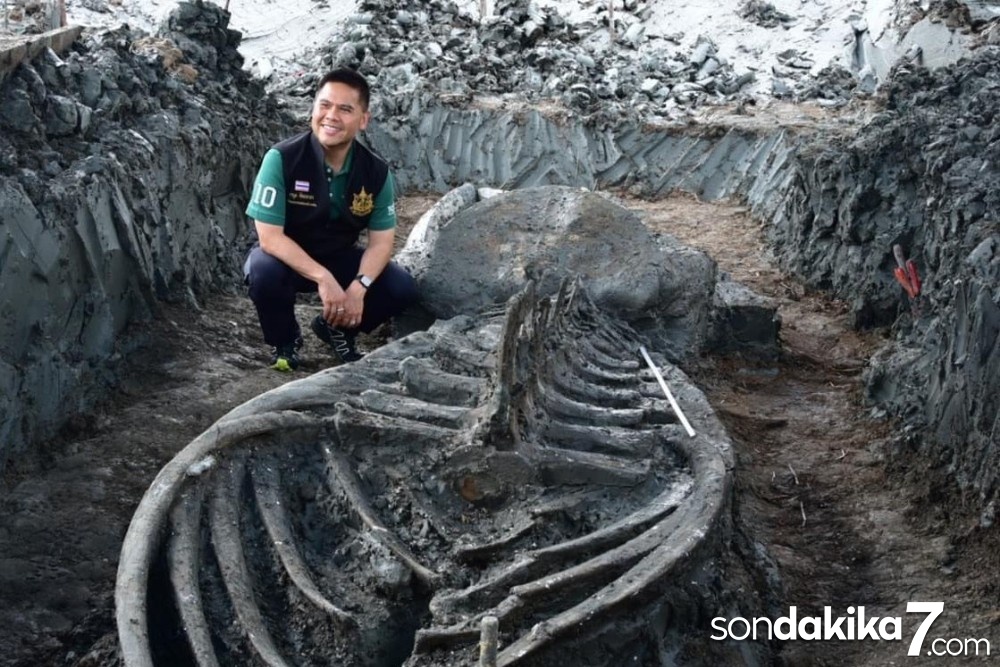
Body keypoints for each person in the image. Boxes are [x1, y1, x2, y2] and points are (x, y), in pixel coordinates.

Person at [243, 68, 417, 371]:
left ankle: (336, 328)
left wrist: (358, 288)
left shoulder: (375, 172)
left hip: (339, 257)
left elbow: (381, 243)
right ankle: (285, 340)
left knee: (400, 287)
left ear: (363, 120)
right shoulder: (282, 158)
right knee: (263, 272)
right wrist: (323, 279)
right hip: (286, 257)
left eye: (345, 109)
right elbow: (269, 238)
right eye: (325, 105)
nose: (331, 116)